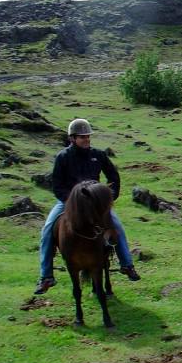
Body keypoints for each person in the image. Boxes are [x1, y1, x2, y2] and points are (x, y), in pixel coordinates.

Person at [34, 119, 140, 294]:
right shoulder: (63, 157)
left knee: (117, 226)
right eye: (82, 137)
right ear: (72, 138)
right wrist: (70, 202)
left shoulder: (98, 155)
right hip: (68, 203)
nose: (86, 139)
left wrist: (108, 198)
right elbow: (57, 184)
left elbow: (113, 176)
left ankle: (127, 265)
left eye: (88, 136)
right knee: (46, 230)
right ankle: (46, 276)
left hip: (96, 204)